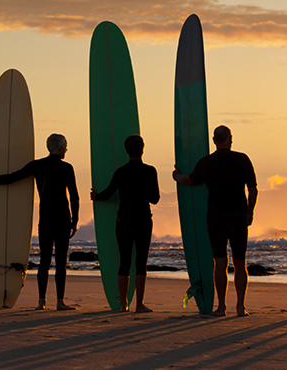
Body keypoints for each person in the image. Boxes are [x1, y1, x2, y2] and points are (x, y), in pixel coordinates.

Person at [0, 134, 81, 311]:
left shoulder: (37, 165)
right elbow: (74, 196)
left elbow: (12, 177)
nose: (67, 148)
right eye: (66, 145)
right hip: (62, 218)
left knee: (44, 261)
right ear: (61, 148)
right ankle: (60, 302)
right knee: (61, 262)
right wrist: (75, 220)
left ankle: (41, 301)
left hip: (46, 219)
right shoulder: (66, 167)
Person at [174, 125, 259, 317]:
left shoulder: (206, 162)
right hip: (238, 216)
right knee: (240, 263)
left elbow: (190, 180)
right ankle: (240, 307)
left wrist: (176, 176)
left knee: (220, 262)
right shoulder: (242, 159)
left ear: (214, 140)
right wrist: (250, 211)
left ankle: (221, 307)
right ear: (231, 139)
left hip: (216, 217)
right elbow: (253, 189)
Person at [91, 135, 159, 313]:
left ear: (126, 150)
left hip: (124, 221)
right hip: (143, 220)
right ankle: (139, 304)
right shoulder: (150, 171)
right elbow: (155, 199)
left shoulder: (121, 172)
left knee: (124, 262)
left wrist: (96, 196)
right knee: (141, 263)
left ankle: (123, 305)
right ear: (143, 148)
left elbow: (108, 192)